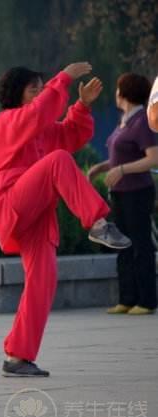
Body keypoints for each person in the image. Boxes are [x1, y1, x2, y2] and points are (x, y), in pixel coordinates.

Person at [0, 62, 131, 377]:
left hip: (36, 214)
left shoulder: (42, 128)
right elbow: (38, 117)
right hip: (12, 202)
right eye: (33, 88)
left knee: (44, 281)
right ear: (16, 94)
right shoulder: (6, 121)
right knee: (58, 161)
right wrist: (62, 79)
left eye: (41, 88)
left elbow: (70, 136)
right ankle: (97, 223)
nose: (39, 93)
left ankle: (17, 356)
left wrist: (82, 106)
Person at [88, 73, 158, 315]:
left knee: (141, 245)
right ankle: (126, 298)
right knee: (122, 245)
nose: (115, 93)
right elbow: (123, 154)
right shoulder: (125, 121)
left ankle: (146, 300)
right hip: (120, 192)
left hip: (137, 192)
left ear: (125, 92)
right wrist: (103, 167)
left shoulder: (141, 122)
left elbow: (152, 158)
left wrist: (121, 169)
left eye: (118, 88)